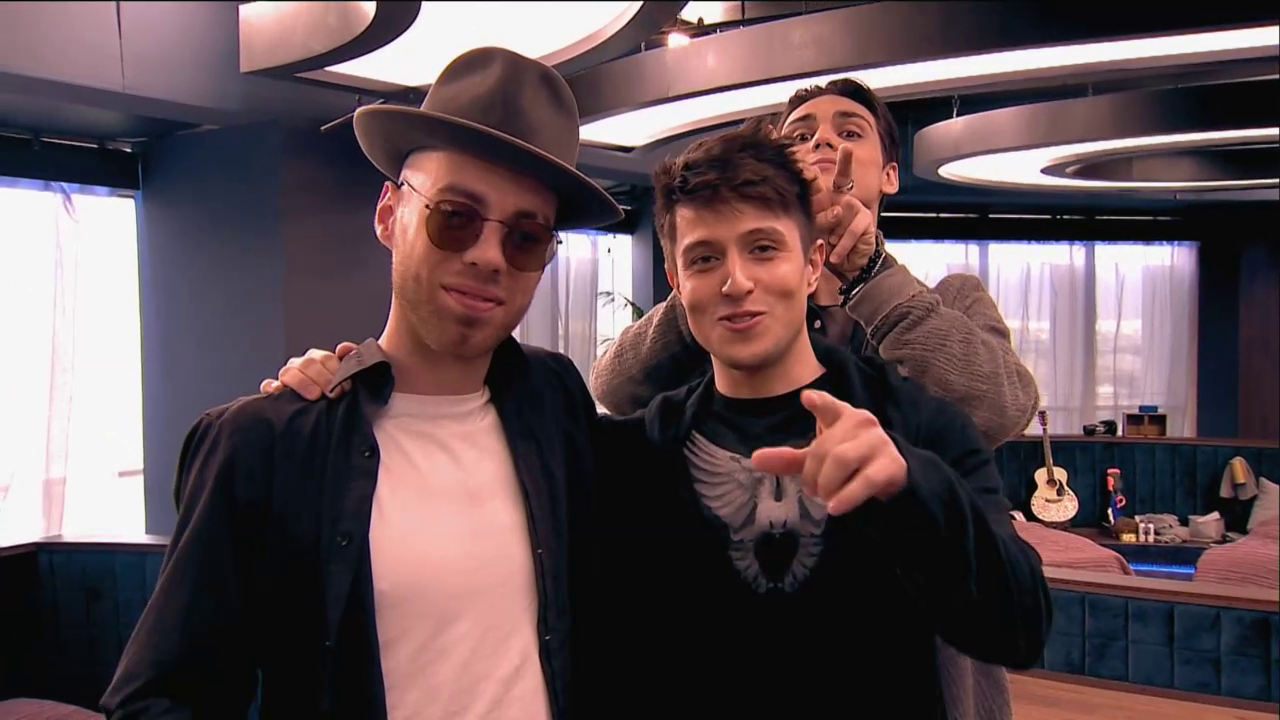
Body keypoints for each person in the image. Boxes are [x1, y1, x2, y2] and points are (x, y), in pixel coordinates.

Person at [268, 119, 1052, 719]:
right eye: (706, 258)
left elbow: (1019, 627)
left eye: (764, 249)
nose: (736, 281)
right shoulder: (629, 456)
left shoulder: (917, 429)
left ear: (812, 261)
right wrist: (352, 377)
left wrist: (912, 490)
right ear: (676, 278)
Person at [100, 47, 627, 720]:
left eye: (525, 237)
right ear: (388, 215)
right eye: (455, 215)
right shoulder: (270, 444)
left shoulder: (554, 400)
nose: (488, 256)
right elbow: (156, 699)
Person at [588, 78, 1039, 450]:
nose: (822, 140)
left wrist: (870, 272)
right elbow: (616, 388)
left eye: (850, 133)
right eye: (800, 138)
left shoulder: (954, 299)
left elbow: (1003, 412)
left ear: (890, 175)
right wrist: (708, 285)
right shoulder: (746, 308)